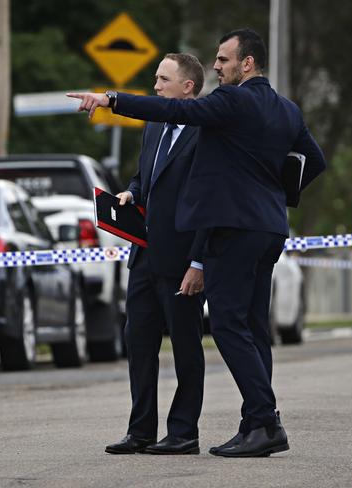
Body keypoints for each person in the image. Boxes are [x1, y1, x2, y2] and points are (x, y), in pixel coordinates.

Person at [69, 28, 327, 457]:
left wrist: (111, 99)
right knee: (252, 328)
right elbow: (312, 161)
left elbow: (168, 108)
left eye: (224, 59)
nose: (217, 66)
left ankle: (266, 421)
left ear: (247, 63)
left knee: (226, 325)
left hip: (234, 230)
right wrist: (275, 193)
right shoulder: (287, 109)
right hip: (269, 228)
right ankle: (256, 424)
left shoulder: (233, 100)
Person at [104, 53, 207, 456]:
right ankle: (140, 430)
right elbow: (143, 176)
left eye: (164, 79)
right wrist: (132, 192)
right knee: (139, 342)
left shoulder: (205, 132)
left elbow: (207, 201)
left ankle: (184, 433)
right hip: (144, 257)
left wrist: (198, 262)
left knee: (185, 347)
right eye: (155, 79)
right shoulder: (154, 125)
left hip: (182, 261)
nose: (156, 86)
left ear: (188, 87)